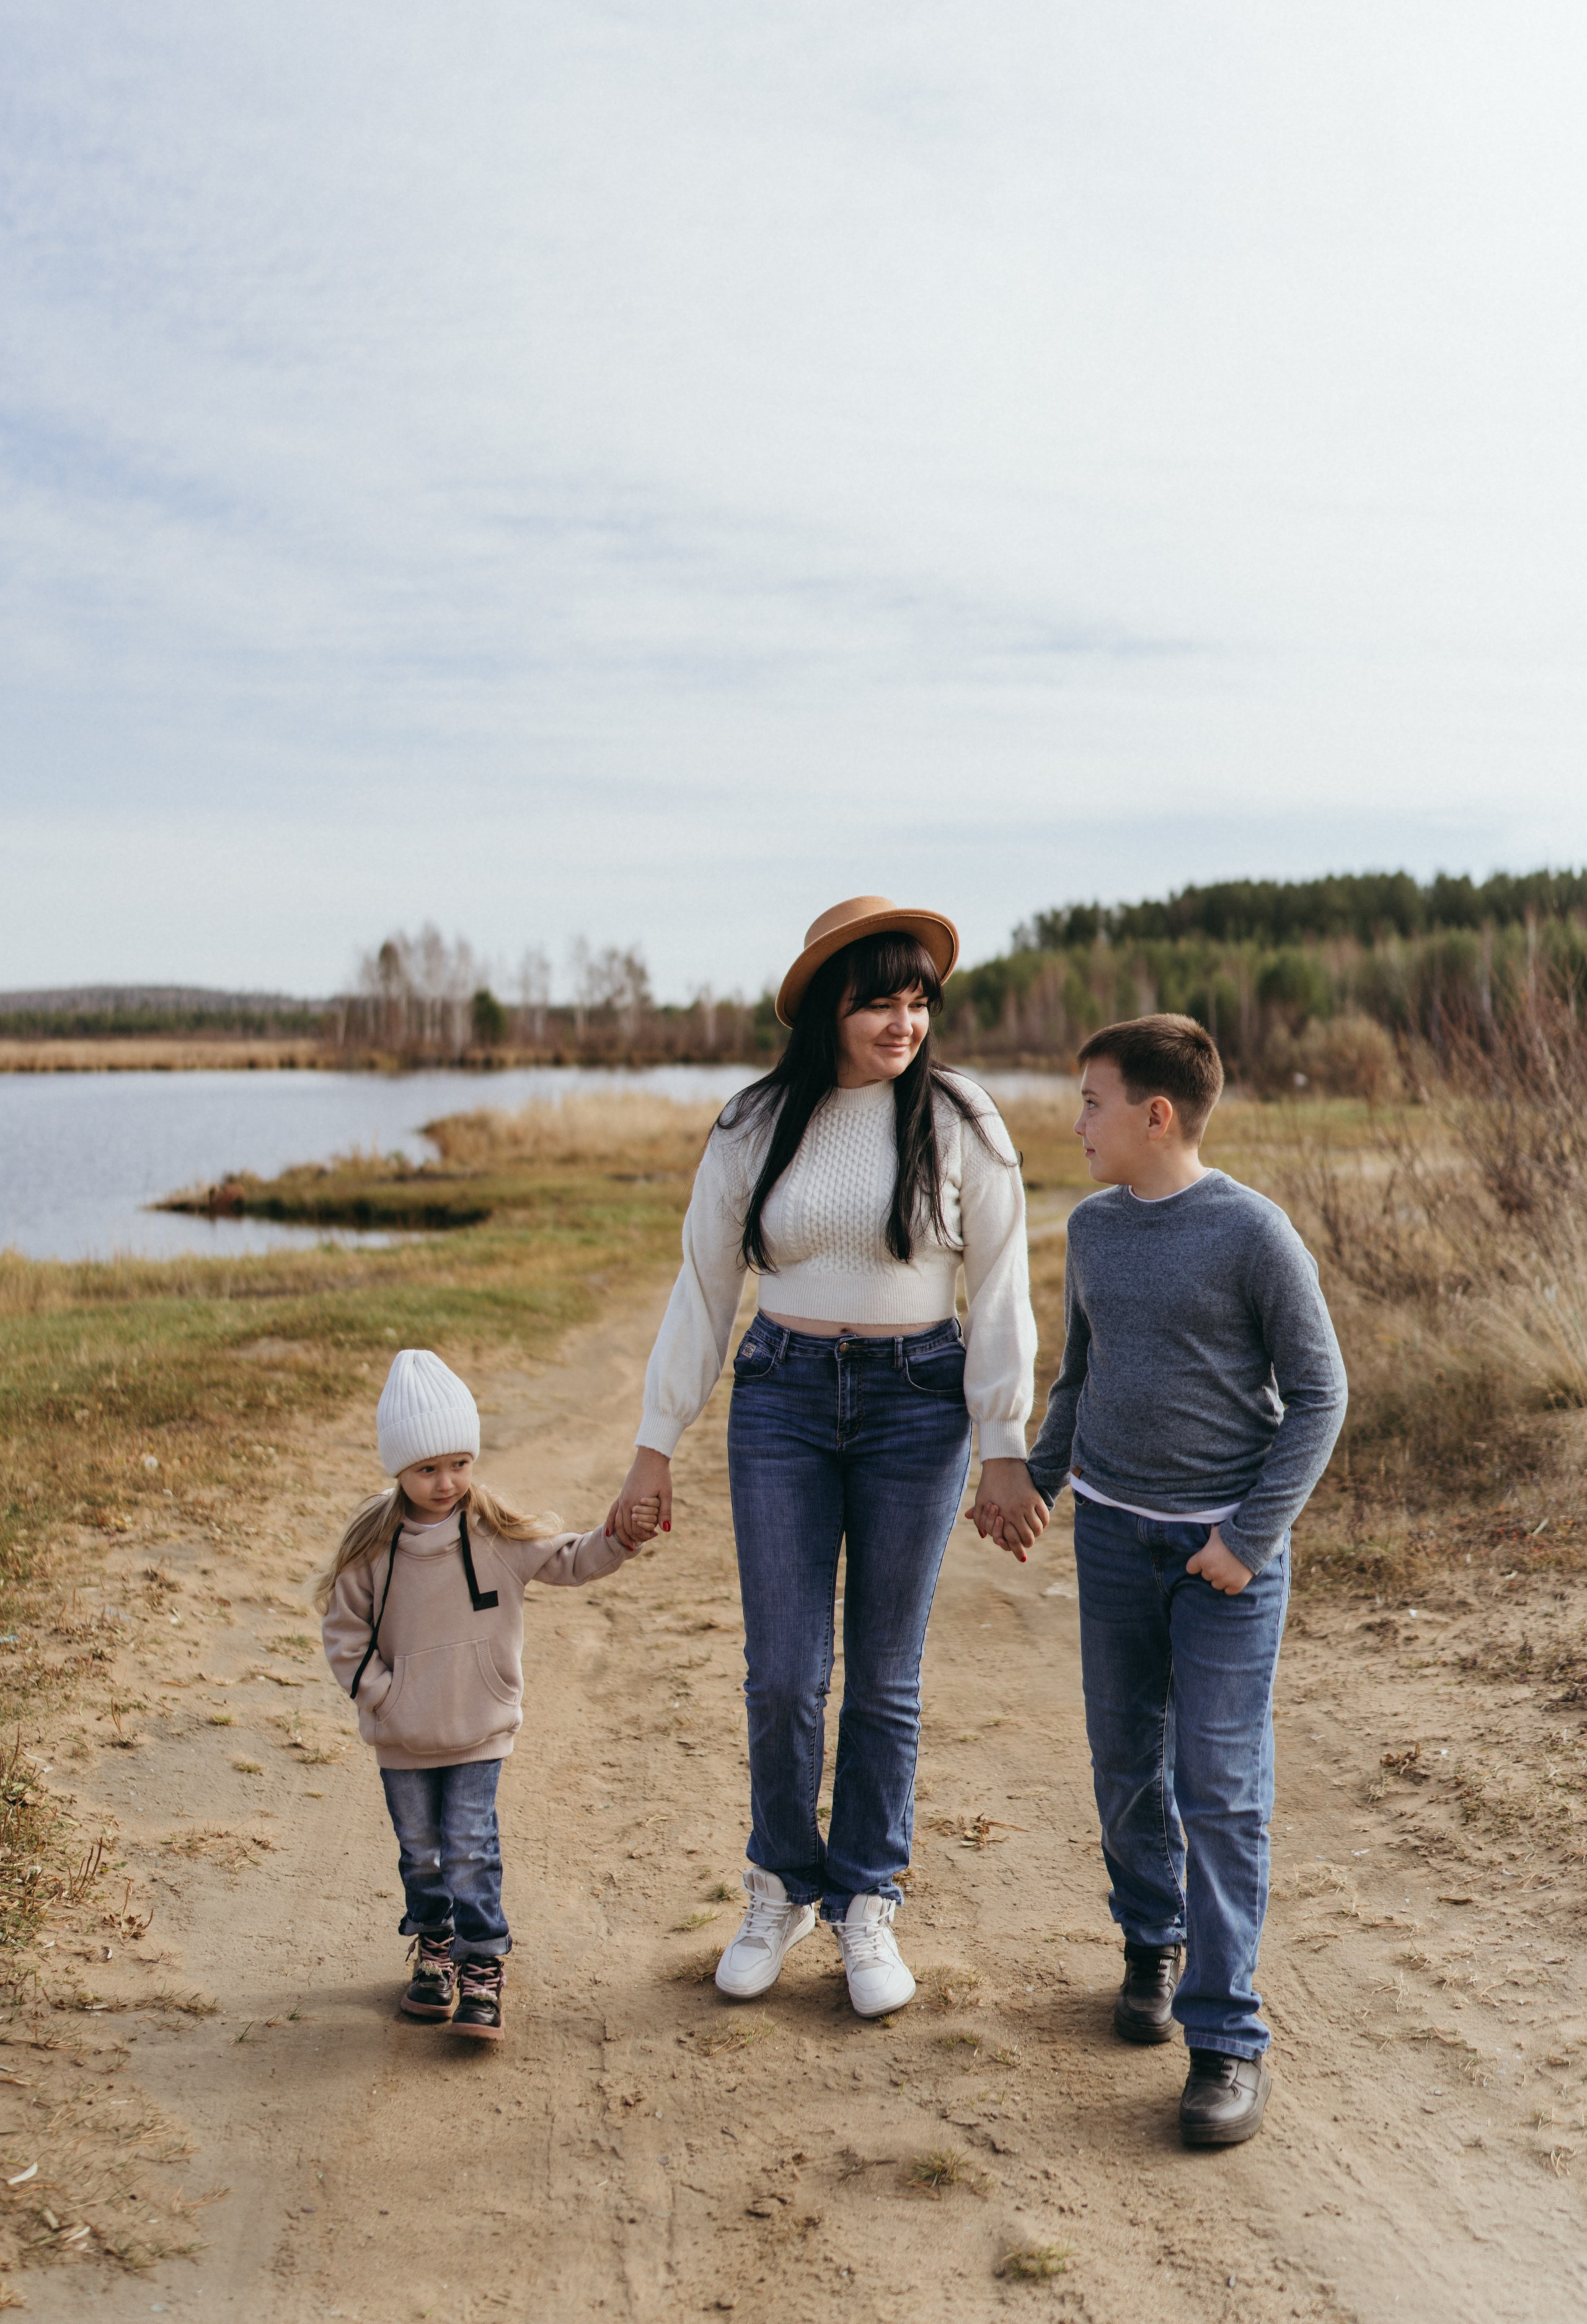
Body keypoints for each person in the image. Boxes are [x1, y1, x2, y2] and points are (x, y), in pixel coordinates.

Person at [606, 895, 1041, 2020]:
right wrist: (655, 1448)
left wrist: (1006, 1444)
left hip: (916, 1408)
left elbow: (1000, 1289)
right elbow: (704, 1289)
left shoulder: (959, 1118)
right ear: (827, 1008)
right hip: (784, 1400)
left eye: (918, 1001)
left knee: (886, 1677)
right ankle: (781, 1884)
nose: (903, 1022)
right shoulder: (755, 1122)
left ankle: (866, 1901)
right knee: (786, 1673)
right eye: (877, 1001)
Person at [972, 1014, 1346, 2146]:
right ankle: (1152, 1942)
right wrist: (1032, 1478)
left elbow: (1320, 1395)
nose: (1074, 1121)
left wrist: (1249, 1537)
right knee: (1125, 1764)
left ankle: (1228, 2041)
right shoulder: (1091, 1230)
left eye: (1090, 1101)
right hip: (1114, 1543)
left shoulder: (1253, 1235)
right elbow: (1084, 1377)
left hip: (1222, 1564)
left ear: (1156, 1114)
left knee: (1220, 1791)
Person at [319, 1348, 658, 2041]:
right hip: (403, 1736)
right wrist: (381, 1693)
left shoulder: (492, 1531)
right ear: (398, 1468)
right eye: (427, 1469)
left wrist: (618, 1537)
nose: (446, 1482)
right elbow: (343, 1631)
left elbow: (568, 1559)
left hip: (479, 1727)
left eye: (459, 1463)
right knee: (420, 1851)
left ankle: (482, 1967)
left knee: (469, 1845)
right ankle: (435, 1952)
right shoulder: (371, 1550)